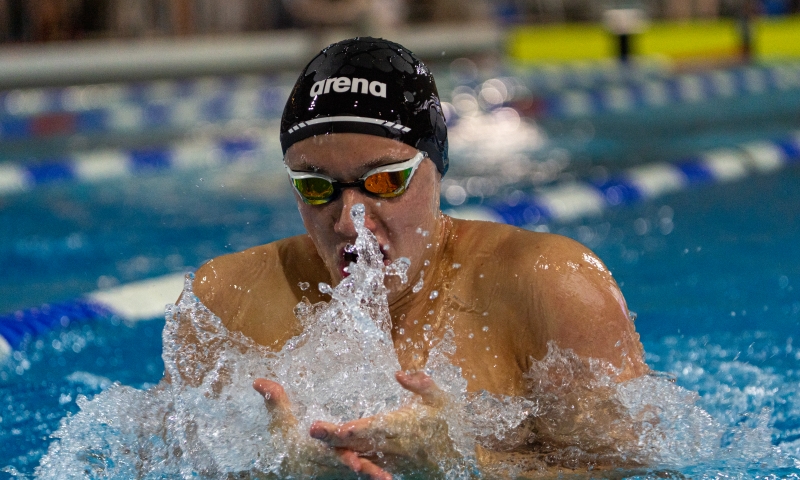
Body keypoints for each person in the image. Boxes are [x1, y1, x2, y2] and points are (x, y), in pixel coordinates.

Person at [191, 37, 648, 478]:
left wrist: (462, 464)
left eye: (384, 181)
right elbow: (171, 461)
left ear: (436, 166)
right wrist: (274, 471)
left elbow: (633, 467)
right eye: (314, 186)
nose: (349, 222)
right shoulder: (227, 302)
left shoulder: (550, 286)